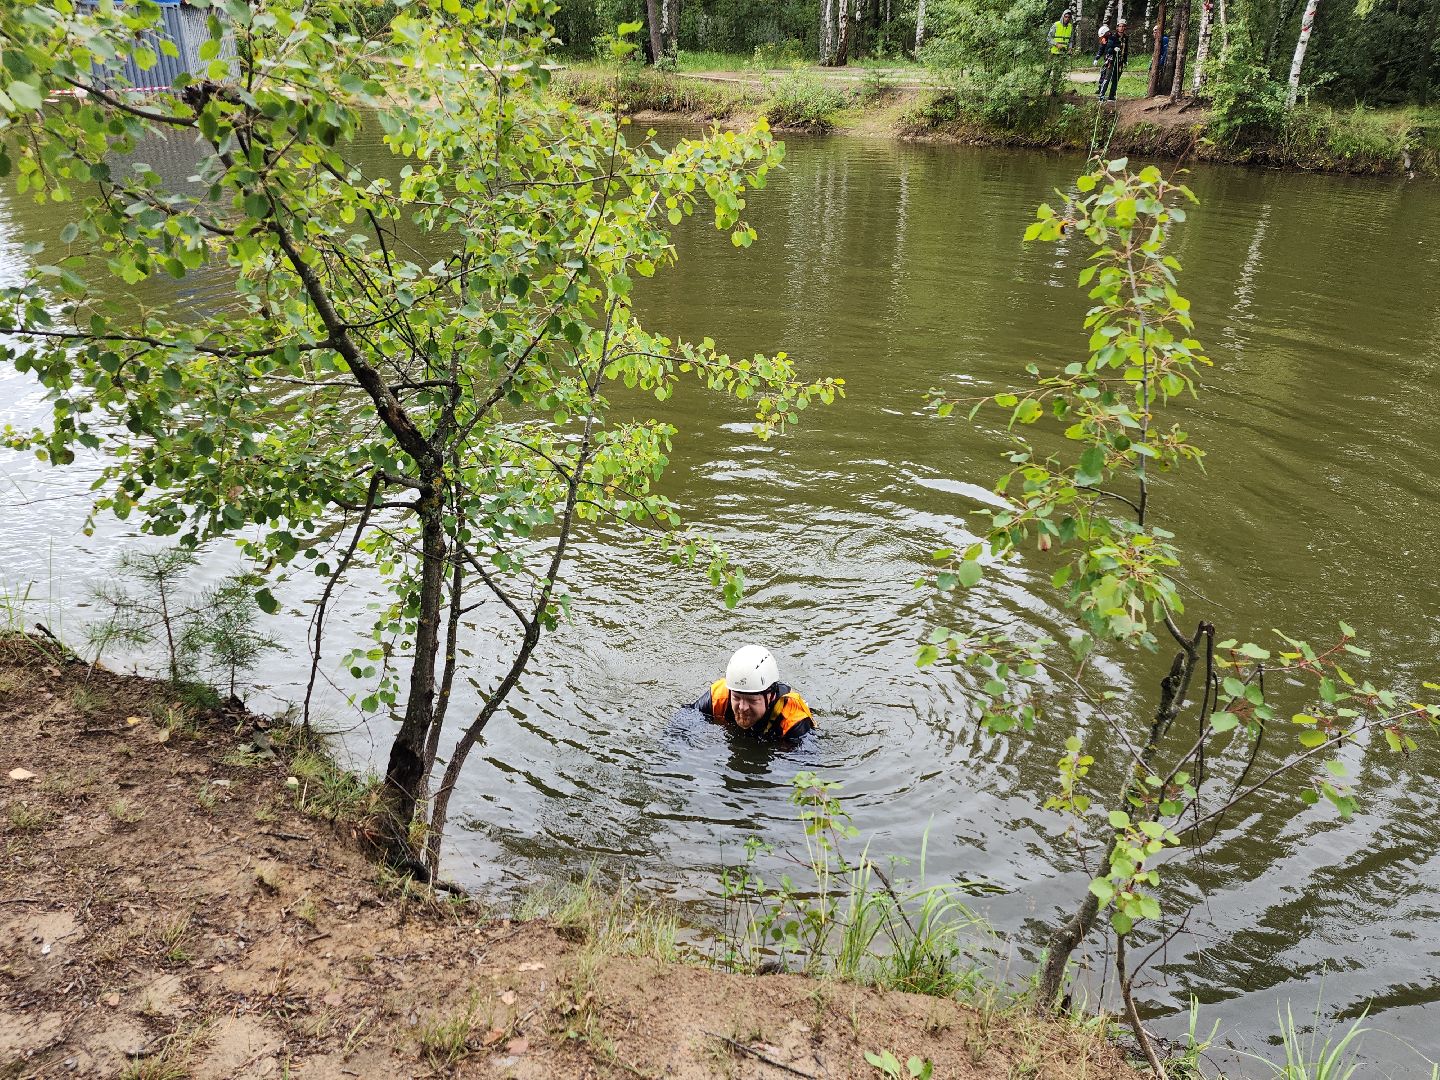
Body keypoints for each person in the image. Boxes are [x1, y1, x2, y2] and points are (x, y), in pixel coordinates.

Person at [694, 644, 814, 742]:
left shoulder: (793, 718)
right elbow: (681, 728)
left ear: (771, 696)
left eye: (752, 700)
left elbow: (805, 766)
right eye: (736, 697)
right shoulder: (720, 695)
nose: (742, 707)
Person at [1096, 18, 1129, 100]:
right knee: (1107, 78)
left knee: (1116, 79)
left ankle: (1111, 96)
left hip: (1120, 61)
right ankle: (1101, 95)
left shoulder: (1125, 38)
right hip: (1111, 60)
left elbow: (1126, 49)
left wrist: (1125, 60)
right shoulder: (1113, 37)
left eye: (1123, 26)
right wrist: (1114, 48)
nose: (1121, 28)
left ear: (1125, 28)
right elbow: (1108, 48)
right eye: (1120, 26)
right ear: (1117, 27)